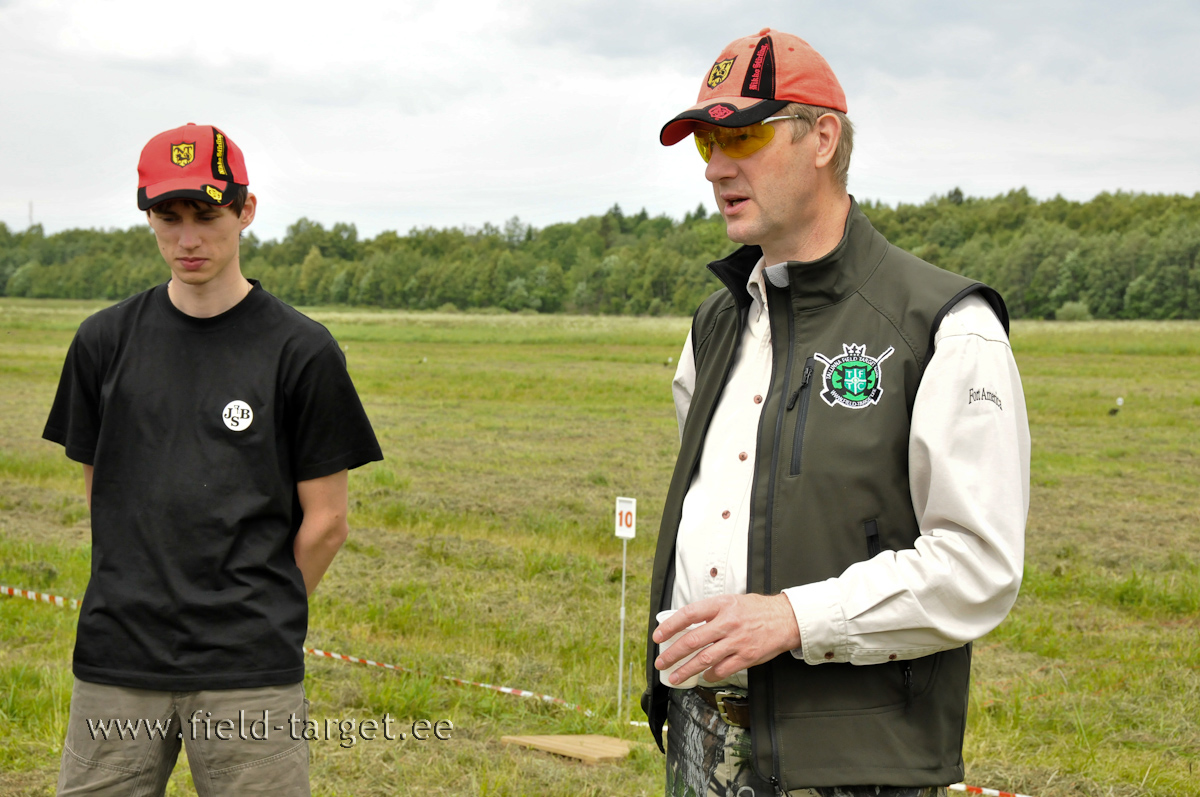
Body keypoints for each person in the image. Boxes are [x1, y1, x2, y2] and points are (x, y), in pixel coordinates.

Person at [642, 29, 1030, 796]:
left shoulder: (945, 326)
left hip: (855, 763)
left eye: (743, 134)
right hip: (699, 738)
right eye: (708, 143)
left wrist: (794, 617)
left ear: (823, 137)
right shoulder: (714, 327)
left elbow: (979, 567)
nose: (719, 165)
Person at [44, 123, 383, 796]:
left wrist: (257, 612)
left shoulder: (301, 350)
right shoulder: (102, 342)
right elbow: (103, 497)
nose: (187, 238)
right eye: (168, 218)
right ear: (148, 216)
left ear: (245, 209)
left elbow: (327, 521)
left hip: (247, 673)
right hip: (117, 661)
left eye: (206, 214)